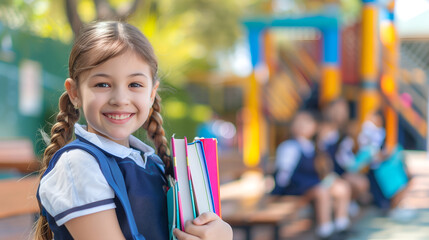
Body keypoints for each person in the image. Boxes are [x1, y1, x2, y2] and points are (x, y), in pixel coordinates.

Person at [34, 21, 232, 240]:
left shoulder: (151, 162)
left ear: (151, 93)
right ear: (74, 93)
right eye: (102, 84)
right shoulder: (79, 165)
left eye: (135, 84)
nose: (120, 99)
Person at [271, 111, 351, 239]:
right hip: (293, 189)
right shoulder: (289, 147)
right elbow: (283, 177)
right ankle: (325, 229)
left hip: (311, 185)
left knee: (340, 187)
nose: (304, 125)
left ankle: (341, 224)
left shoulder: (315, 147)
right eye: (300, 122)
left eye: (308, 122)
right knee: (321, 191)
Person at [319, 99, 371, 215]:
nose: (340, 113)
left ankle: (346, 205)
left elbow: (345, 159)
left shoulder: (345, 133)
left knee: (361, 182)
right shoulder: (321, 130)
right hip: (324, 172)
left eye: (343, 110)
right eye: (337, 109)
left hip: (339, 170)